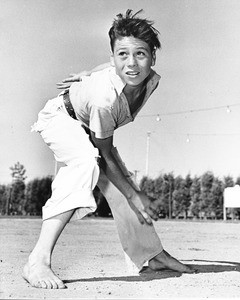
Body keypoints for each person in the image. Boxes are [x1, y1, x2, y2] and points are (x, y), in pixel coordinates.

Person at [23, 9, 195, 290]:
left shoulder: (150, 79)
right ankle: (37, 260)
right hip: (61, 119)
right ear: (113, 57)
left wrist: (87, 74)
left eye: (140, 54)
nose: (132, 64)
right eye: (122, 56)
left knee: (122, 185)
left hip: (88, 125)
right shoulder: (105, 99)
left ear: (153, 55)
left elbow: (108, 69)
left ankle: (151, 256)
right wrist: (135, 193)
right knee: (87, 164)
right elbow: (103, 150)